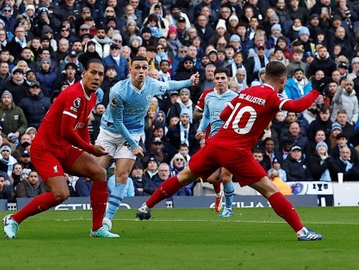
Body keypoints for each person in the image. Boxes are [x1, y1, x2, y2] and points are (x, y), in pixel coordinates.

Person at [137, 62, 323, 241]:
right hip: (237, 150)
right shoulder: (273, 98)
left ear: (264, 76)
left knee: (183, 177)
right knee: (270, 190)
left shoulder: (246, 92)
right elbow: (298, 107)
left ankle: (146, 206)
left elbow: (225, 115)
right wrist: (316, 91)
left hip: (216, 144)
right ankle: (301, 231)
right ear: (283, 80)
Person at [3, 59, 118, 238]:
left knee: (99, 173)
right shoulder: (75, 95)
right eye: (93, 72)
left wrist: (89, 156)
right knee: (61, 194)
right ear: (84, 74)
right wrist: (90, 148)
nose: (97, 77)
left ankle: (97, 229)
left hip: (64, 148)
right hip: (45, 149)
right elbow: (66, 131)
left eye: (100, 74)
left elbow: (82, 126)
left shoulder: (93, 96)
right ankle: (14, 219)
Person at [95, 55, 200, 232]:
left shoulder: (151, 84)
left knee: (122, 175)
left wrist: (188, 82)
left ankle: (106, 220)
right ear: (130, 69)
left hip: (133, 134)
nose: (141, 71)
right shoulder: (118, 91)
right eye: (137, 68)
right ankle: (97, 211)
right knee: (97, 173)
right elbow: (119, 122)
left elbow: (169, 85)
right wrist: (134, 145)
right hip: (110, 132)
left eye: (144, 68)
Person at [195, 67, 238, 217]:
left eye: (223, 78)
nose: (220, 81)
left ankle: (229, 208)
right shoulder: (209, 97)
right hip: (213, 141)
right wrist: (200, 130)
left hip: (229, 141)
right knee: (212, 178)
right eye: (217, 78)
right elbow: (206, 117)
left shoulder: (235, 97)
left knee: (226, 177)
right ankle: (219, 195)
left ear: (228, 80)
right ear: (213, 80)